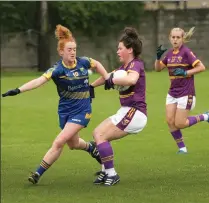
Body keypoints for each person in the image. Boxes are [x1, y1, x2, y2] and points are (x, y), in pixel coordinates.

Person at [2, 24, 109, 184]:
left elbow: (98, 64)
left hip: (82, 110)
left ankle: (37, 173)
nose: (73, 52)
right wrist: (18, 90)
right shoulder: (57, 70)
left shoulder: (84, 62)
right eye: (69, 50)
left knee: (59, 141)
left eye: (74, 49)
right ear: (61, 52)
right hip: (65, 111)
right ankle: (91, 148)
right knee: (73, 144)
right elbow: (39, 81)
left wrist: (106, 78)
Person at [90, 27, 147, 186]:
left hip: (136, 112)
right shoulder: (122, 69)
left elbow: (131, 80)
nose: (117, 51)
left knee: (102, 136)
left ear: (130, 50)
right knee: (97, 133)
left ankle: (112, 174)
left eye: (120, 48)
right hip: (125, 111)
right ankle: (104, 171)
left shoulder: (136, 65)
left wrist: (112, 80)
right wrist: (91, 86)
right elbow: (107, 77)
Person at [154, 27, 209, 154]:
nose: (175, 40)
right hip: (172, 92)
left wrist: (185, 72)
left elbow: (201, 67)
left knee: (180, 123)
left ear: (182, 39)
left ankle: (206, 116)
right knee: (170, 121)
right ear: (170, 38)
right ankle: (182, 148)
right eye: (173, 37)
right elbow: (158, 69)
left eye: (178, 37)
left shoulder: (186, 52)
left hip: (186, 93)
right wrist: (157, 58)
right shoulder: (170, 54)